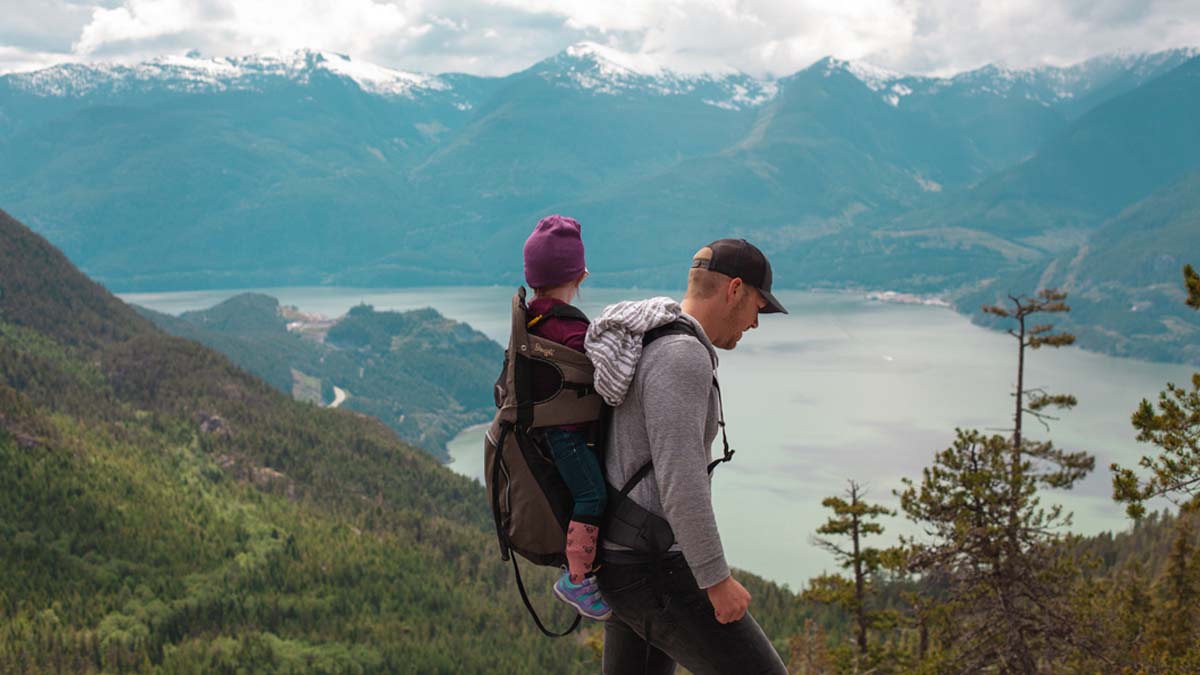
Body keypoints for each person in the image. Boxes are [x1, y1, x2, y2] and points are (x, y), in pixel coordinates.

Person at [585, 238, 789, 674]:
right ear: (734, 289)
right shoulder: (682, 356)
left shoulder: (650, 339)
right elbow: (681, 482)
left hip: (623, 557)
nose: (756, 323)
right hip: (653, 569)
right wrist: (716, 581)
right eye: (758, 305)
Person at [521, 214, 611, 621]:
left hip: (546, 432)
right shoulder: (569, 330)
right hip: (568, 436)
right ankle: (576, 579)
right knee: (592, 496)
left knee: (580, 495)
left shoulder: (534, 317)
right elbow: (603, 373)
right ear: (580, 274)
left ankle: (578, 569)